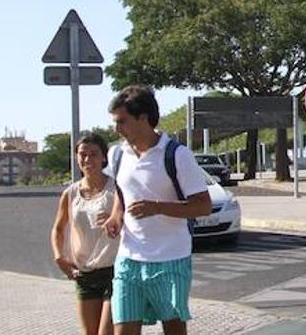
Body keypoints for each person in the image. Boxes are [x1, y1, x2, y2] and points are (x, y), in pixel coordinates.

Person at [103, 85, 211, 335]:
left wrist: (158, 207)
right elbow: (121, 192)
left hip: (170, 259)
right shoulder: (117, 154)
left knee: (173, 329)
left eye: (122, 122)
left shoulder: (178, 155)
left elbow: (203, 205)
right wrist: (115, 216)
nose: (116, 129)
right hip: (128, 259)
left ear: (143, 118)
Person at [51, 132, 120, 335]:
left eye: (94, 154)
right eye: (83, 154)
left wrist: (116, 220)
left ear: (104, 157)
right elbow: (58, 228)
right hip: (85, 274)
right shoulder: (70, 193)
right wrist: (59, 257)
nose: (88, 159)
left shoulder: (116, 189)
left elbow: (134, 222)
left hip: (114, 271)